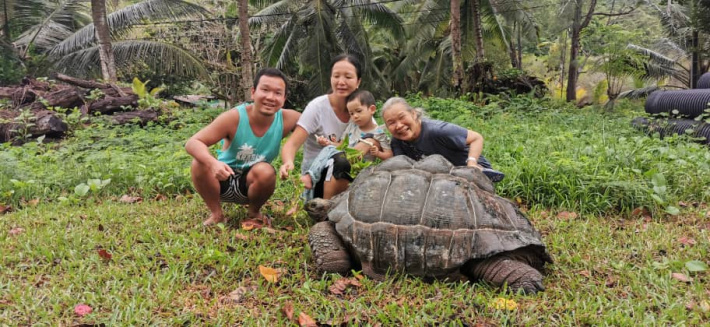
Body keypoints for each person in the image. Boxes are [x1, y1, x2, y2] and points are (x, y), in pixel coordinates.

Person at [185, 68, 301, 226]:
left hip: (252, 184)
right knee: (199, 163)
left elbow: (316, 124)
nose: (270, 97)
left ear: (284, 98)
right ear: (253, 92)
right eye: (265, 90)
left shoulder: (289, 118)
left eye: (277, 93)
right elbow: (193, 142)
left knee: (266, 171)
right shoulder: (234, 117)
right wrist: (213, 163)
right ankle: (216, 214)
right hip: (222, 180)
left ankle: (254, 212)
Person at [279, 54, 362, 199]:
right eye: (336, 76)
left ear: (358, 82)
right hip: (316, 181)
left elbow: (374, 136)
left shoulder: (362, 110)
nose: (341, 82)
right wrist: (288, 163)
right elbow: (291, 144)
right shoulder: (317, 107)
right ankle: (326, 212)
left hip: (349, 180)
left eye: (348, 77)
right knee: (343, 160)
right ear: (330, 79)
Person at [381, 97, 505, 182]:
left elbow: (476, 138)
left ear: (413, 114)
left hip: (468, 168)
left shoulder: (437, 130)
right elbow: (402, 167)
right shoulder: (397, 142)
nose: (399, 126)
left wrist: (472, 164)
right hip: (439, 176)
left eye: (402, 117)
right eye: (391, 123)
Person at [301, 89, 393, 190]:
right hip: (342, 164)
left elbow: (389, 156)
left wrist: (378, 153)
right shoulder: (352, 126)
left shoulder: (379, 133)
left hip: (361, 170)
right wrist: (328, 143)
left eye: (358, 111)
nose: (355, 116)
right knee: (329, 149)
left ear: (372, 109)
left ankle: (311, 176)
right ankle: (312, 178)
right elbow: (341, 145)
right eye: (351, 114)